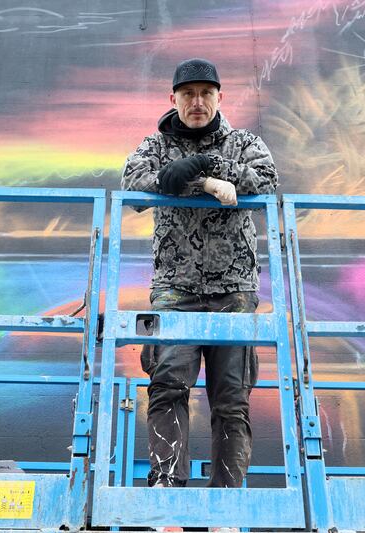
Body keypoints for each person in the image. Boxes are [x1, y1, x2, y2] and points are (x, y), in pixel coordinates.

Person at [121, 58, 279, 492]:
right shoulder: (154, 146)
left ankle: (225, 506)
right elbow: (134, 186)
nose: (197, 102)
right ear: (173, 99)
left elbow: (266, 180)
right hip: (176, 287)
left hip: (234, 289)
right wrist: (205, 184)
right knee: (168, 385)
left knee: (231, 399)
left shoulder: (244, 142)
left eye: (205, 93)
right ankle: (168, 493)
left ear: (219, 98)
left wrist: (208, 168)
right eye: (187, 94)